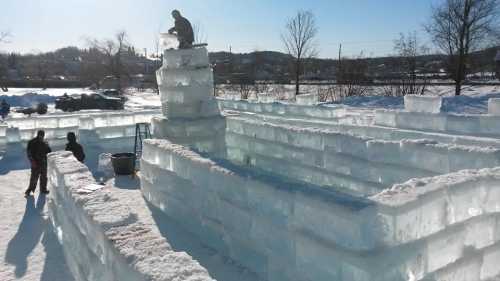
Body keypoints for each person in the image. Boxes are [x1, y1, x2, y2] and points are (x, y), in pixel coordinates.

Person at [25, 130, 52, 197]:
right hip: (35, 163)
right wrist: (32, 161)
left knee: (44, 177)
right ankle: (30, 190)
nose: (42, 136)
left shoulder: (45, 142)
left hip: (43, 162)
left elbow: (49, 151)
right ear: (38, 134)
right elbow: (29, 153)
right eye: (41, 135)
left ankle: (43, 189)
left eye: (42, 135)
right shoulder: (32, 142)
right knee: (34, 178)